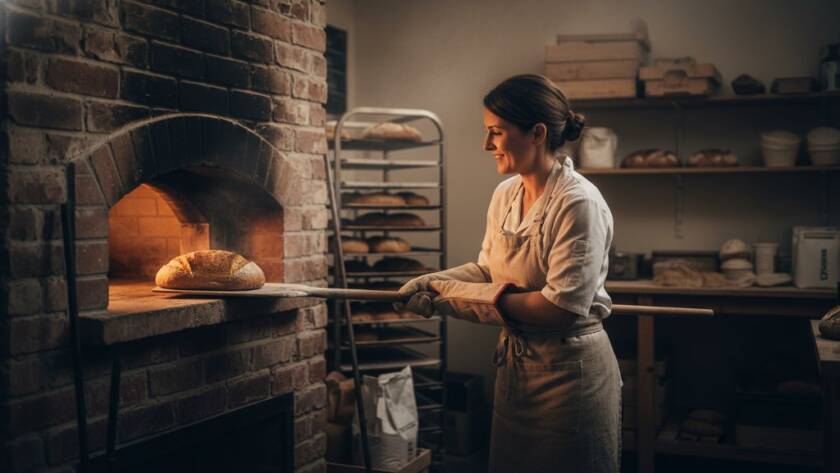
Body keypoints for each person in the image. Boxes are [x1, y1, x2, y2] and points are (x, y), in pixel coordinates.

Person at [399, 74, 621, 473]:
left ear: (536, 133)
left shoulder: (577, 202)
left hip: (569, 375)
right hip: (517, 371)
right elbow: (488, 270)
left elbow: (560, 309)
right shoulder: (506, 193)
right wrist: (433, 281)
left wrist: (451, 297)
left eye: (496, 133)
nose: (487, 145)